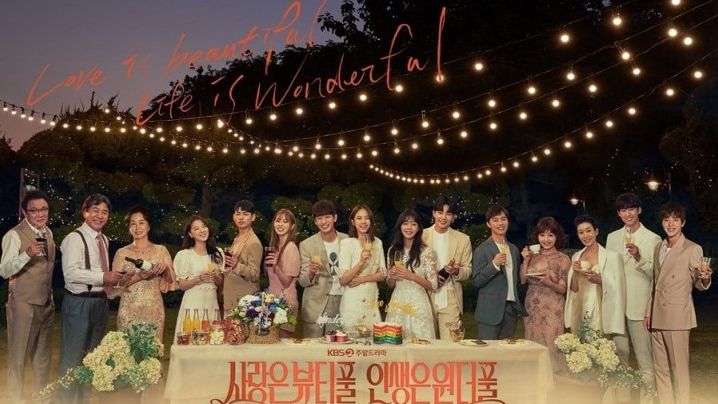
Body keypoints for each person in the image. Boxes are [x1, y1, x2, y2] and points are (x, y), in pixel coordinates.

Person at [644, 202, 712, 404]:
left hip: (677, 317)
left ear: (683, 222)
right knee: (661, 369)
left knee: (679, 370)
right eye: (666, 219)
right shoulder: (658, 247)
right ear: (662, 222)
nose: (670, 224)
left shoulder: (692, 248)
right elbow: (655, 283)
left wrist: (705, 278)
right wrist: (648, 312)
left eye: (675, 220)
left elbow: (699, 282)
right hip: (657, 315)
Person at [59, 194, 124, 403]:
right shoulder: (74, 239)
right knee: (72, 358)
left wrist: (115, 285)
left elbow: (103, 273)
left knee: (92, 358)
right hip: (79, 303)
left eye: (104, 212)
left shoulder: (104, 240)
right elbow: (71, 273)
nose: (100, 216)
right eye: (95, 210)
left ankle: (83, 400)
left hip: (100, 303)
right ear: (85, 212)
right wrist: (103, 277)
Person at [1, 190, 55, 403]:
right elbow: (4, 270)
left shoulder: (48, 232)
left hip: (46, 305)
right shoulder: (14, 235)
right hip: (23, 305)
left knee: (43, 359)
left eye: (44, 209)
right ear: (25, 212)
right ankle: (15, 399)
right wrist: (27, 254)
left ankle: (41, 399)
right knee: (19, 358)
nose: (40, 214)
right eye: (34, 211)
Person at [606, 192, 661, 394]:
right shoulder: (612, 237)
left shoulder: (653, 239)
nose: (627, 214)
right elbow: (609, 270)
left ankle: (648, 398)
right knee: (620, 357)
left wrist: (639, 257)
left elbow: (657, 275)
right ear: (618, 214)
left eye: (631, 209)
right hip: (617, 307)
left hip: (640, 308)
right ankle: (623, 398)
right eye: (623, 210)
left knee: (644, 359)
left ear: (639, 210)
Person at [111, 206, 176, 340]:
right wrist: (139, 276)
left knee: (152, 350)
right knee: (126, 350)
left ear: (148, 226)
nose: (137, 227)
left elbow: (171, 281)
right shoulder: (121, 253)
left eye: (141, 223)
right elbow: (116, 285)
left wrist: (165, 269)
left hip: (153, 309)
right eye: (133, 224)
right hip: (128, 310)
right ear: (129, 228)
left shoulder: (161, 250)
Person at [519, 217, 570, 371]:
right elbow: (522, 280)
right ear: (537, 237)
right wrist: (525, 260)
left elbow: (564, 289)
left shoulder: (563, 259)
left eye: (550, 235)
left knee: (551, 343)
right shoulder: (532, 256)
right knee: (532, 342)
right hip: (532, 306)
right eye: (542, 235)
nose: (546, 239)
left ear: (557, 237)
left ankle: (554, 378)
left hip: (553, 307)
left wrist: (549, 283)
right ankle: (534, 377)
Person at [565, 215, 626, 340]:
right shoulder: (576, 256)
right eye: (581, 232)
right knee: (579, 345)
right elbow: (574, 289)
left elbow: (619, 288)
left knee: (598, 344)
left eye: (588, 231)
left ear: (596, 231)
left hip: (600, 307)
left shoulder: (612, 257)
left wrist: (599, 280)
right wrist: (575, 272)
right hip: (579, 307)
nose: (585, 236)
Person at [421, 196, 472, 340]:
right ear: (433, 213)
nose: (443, 217)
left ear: (453, 217)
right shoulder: (421, 236)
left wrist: (457, 270)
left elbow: (468, 270)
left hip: (450, 297)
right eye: (440, 212)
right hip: (424, 295)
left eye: (448, 213)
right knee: (426, 343)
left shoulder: (463, 239)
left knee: (451, 344)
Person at [473, 205, 526, 340]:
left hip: (510, 310)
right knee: (488, 351)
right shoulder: (482, 249)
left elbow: (516, 281)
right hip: (489, 311)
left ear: (508, 221)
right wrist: (494, 265)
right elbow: (477, 281)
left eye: (503, 219)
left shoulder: (513, 249)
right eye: (495, 220)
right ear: (488, 224)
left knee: (506, 351)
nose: (500, 223)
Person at [298, 201, 348, 338]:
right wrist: (311, 272)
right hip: (315, 305)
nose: (324, 222)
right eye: (319, 218)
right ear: (315, 221)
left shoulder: (347, 240)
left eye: (327, 217)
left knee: (336, 346)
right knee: (313, 348)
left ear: (335, 218)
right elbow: (302, 281)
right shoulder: (306, 245)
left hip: (342, 301)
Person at [386, 210, 438, 339]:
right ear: (400, 226)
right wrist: (392, 276)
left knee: (420, 343)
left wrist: (412, 276)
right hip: (398, 301)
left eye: (413, 224)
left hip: (418, 302)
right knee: (395, 341)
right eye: (405, 223)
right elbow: (390, 284)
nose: (409, 227)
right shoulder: (392, 250)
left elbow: (433, 285)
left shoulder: (427, 252)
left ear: (419, 228)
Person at [173, 216, 224, 338]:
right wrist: (199, 279)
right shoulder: (185, 255)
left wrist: (216, 276)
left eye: (204, 227)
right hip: (193, 303)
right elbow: (182, 285)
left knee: (213, 338)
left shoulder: (217, 253)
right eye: (196, 228)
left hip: (211, 302)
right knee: (191, 338)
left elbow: (220, 282)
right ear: (190, 234)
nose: (202, 230)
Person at [337, 204, 387, 331]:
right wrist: (360, 262)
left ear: (371, 221)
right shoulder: (346, 243)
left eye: (366, 218)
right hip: (352, 302)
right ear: (353, 222)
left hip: (371, 300)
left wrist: (362, 279)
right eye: (359, 218)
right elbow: (343, 280)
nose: (363, 222)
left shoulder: (377, 243)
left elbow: (383, 273)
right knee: (352, 339)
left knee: (373, 338)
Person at [265, 208, 300, 337]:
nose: (280, 224)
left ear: (292, 226)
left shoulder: (291, 248)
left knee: (282, 344)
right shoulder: (274, 247)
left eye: (285, 221)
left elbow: (286, 282)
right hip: (272, 302)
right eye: (278, 220)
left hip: (286, 303)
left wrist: (276, 267)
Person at [223, 200, 263, 310]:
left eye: (245, 214)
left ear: (253, 217)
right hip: (231, 298)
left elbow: (255, 275)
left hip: (245, 303)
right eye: (238, 214)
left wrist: (237, 265)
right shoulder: (237, 238)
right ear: (233, 217)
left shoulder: (253, 242)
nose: (241, 218)